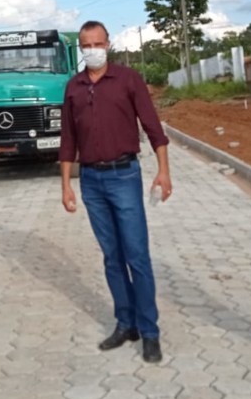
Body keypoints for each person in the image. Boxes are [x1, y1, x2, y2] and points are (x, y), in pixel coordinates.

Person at [60, 20, 172, 364]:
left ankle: (150, 331)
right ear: (80, 49)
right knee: (111, 256)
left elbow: (152, 126)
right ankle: (126, 324)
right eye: (86, 45)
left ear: (108, 44)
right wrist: (66, 183)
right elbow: (68, 138)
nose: (93, 50)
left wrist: (163, 171)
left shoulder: (127, 79)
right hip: (91, 182)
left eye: (98, 43)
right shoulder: (74, 87)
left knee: (136, 255)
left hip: (125, 176)